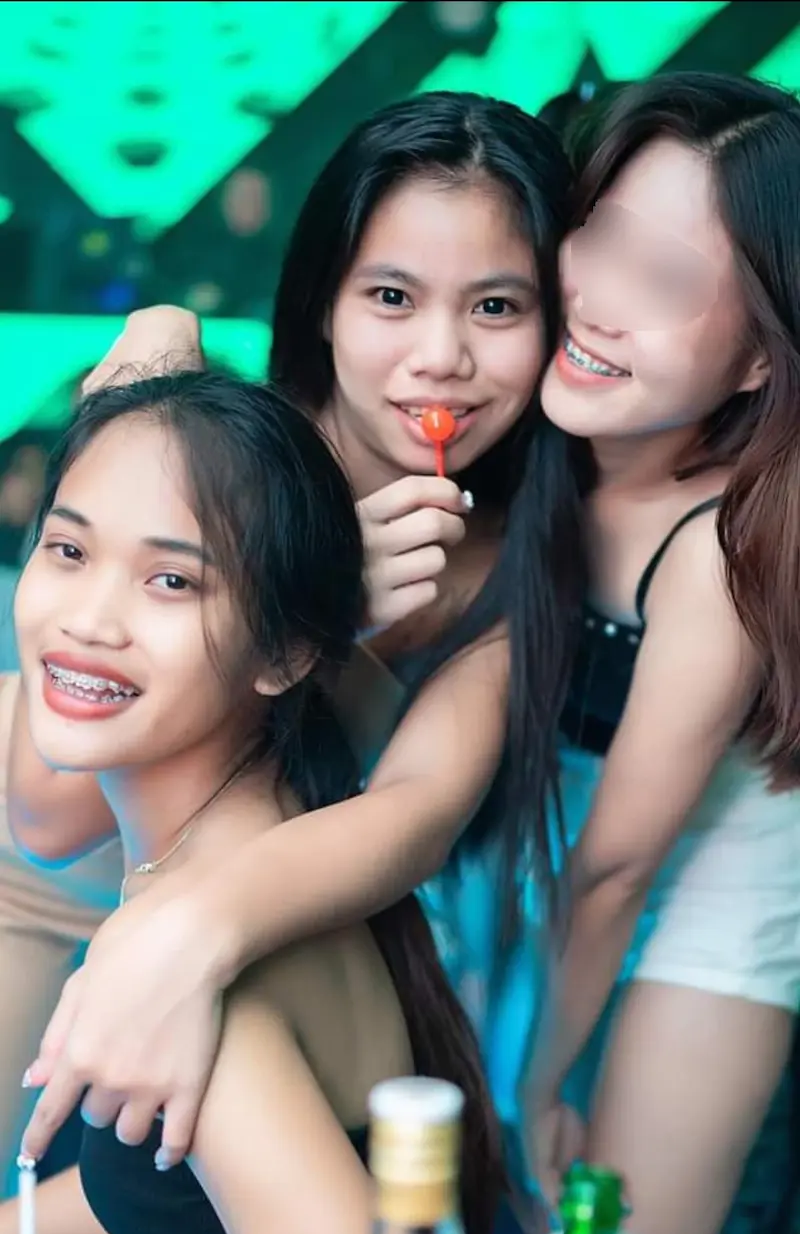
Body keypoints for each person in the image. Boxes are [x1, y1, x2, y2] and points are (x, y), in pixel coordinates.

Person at [11, 92, 583, 1171]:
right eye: (390, 295)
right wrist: (313, 598)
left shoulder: (521, 566)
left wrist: (186, 933)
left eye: (497, 307)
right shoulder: (214, 456)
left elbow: (415, 814)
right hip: (55, 893)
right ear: (322, 301)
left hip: (248, 945)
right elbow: (48, 818)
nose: (440, 357)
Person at [0, 369, 505, 1234]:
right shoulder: (244, 861)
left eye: (172, 580)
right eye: (69, 548)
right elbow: (164, 1185)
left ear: (282, 652)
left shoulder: (194, 981)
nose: (89, 618)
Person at [522, 72, 800, 1234]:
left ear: (760, 358)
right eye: (603, 233)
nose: (604, 297)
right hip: (582, 855)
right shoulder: (536, 426)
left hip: (719, 889)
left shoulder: (726, 545)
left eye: (671, 273)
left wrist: (541, 1067)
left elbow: (627, 863)